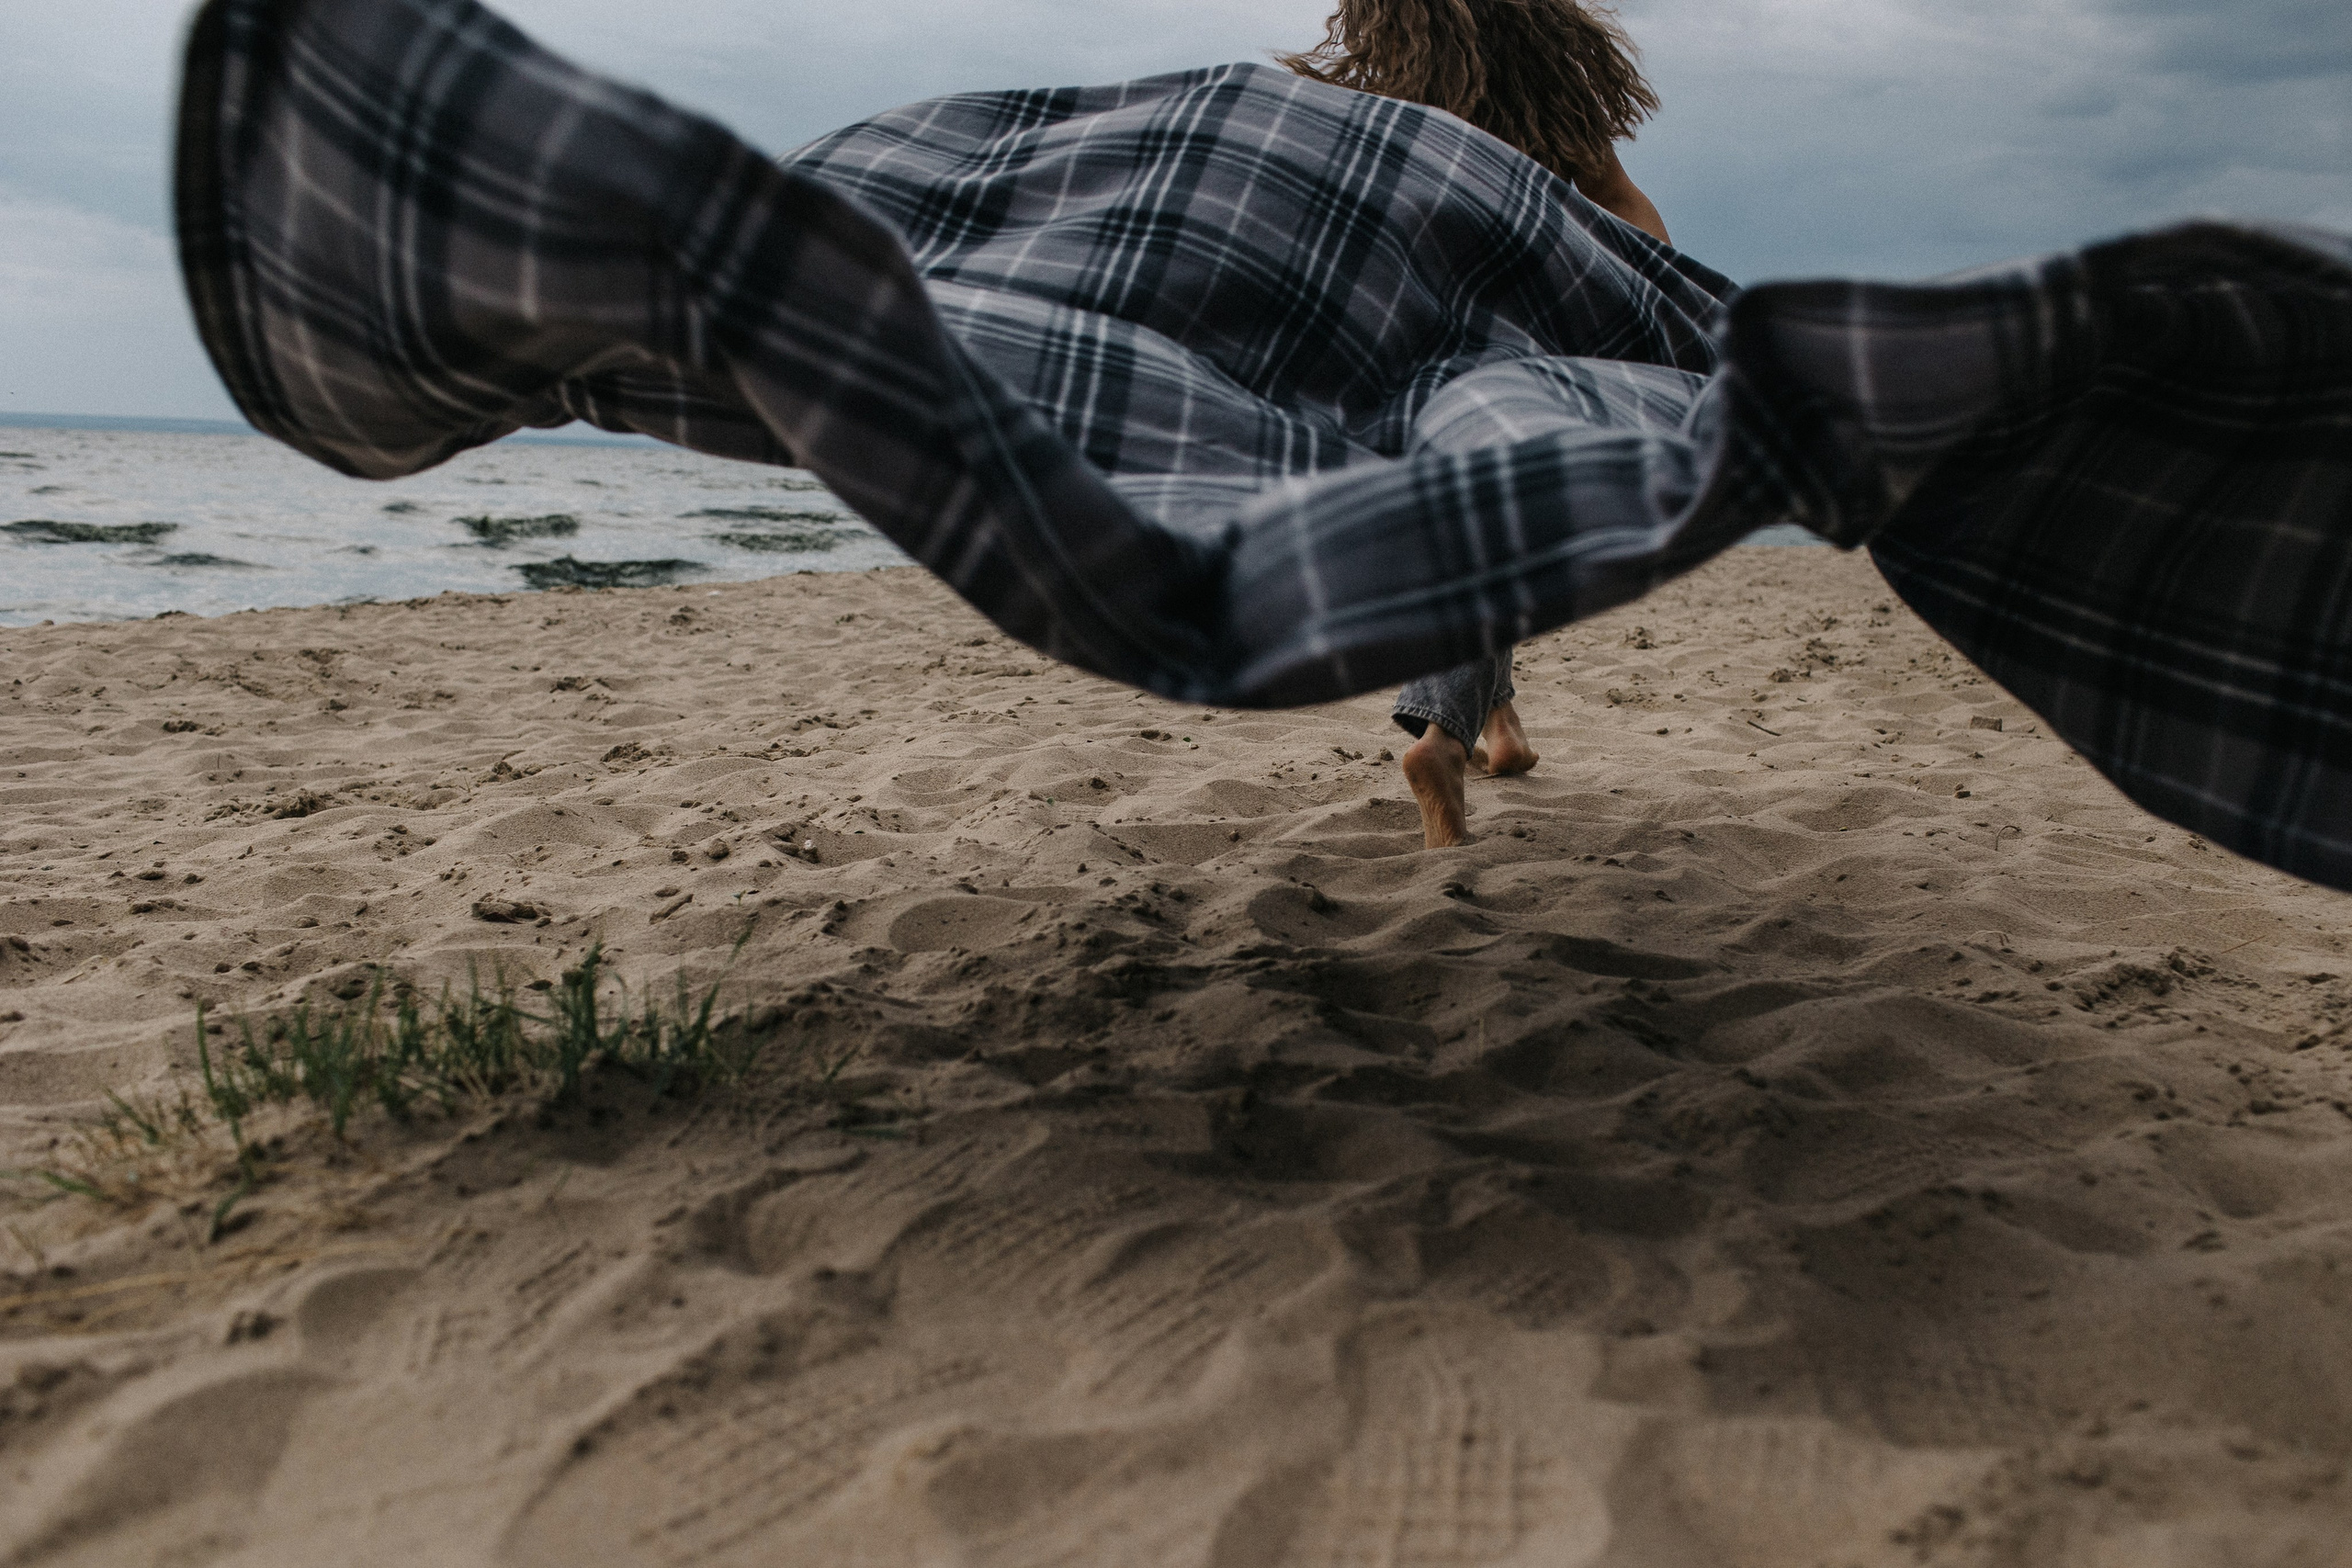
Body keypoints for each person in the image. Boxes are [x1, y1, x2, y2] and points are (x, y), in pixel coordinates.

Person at [1283, 0, 1672, 847]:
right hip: (1527, 348)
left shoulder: (1392, 103)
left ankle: (1501, 724)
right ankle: (1445, 739)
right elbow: (1622, 201)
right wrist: (1662, 305)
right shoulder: (1548, 99)